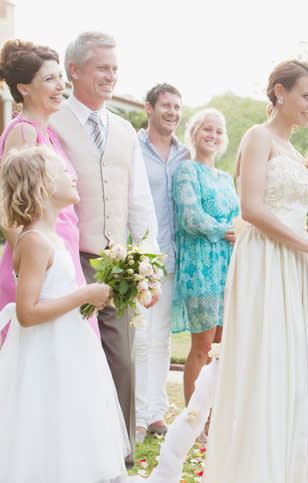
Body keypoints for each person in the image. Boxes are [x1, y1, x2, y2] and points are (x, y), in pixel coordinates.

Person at [203, 60, 308, 483]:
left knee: (292, 356)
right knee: (264, 354)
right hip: (265, 259)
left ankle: (291, 462)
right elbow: (253, 209)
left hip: (292, 262)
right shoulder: (257, 137)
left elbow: (290, 207)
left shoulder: (295, 151)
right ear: (279, 92)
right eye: (306, 96)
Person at [49, 31, 159, 467]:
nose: (112, 76)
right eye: (102, 68)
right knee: (70, 361)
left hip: (118, 267)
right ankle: (73, 455)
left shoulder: (125, 129)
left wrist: (147, 263)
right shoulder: (51, 123)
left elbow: (139, 203)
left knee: (123, 362)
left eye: (115, 68)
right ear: (73, 70)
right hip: (68, 263)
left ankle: (122, 458)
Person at [0, 146, 128, 482]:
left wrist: (93, 296)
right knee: (46, 422)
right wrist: (83, 294)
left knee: (71, 421)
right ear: (42, 185)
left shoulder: (53, 239)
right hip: (44, 350)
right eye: (61, 171)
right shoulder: (34, 242)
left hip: (68, 347)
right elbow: (27, 312)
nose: (72, 175)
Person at [0, 39, 98, 344]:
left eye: (60, 77)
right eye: (49, 78)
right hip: (43, 269)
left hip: (63, 259)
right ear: (24, 88)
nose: (61, 86)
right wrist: (39, 266)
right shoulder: (24, 132)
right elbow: (8, 211)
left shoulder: (49, 133)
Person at [171, 108, 239, 422]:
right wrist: (224, 230)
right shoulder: (187, 170)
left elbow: (240, 217)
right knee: (202, 346)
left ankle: (215, 420)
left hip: (228, 270)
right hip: (199, 269)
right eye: (206, 129)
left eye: (218, 131)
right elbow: (190, 216)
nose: (212, 136)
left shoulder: (226, 178)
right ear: (194, 132)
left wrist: (239, 230)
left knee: (222, 350)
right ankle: (195, 422)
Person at [134, 83, 189, 443]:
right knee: (140, 337)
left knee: (162, 339)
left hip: (173, 258)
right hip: (140, 257)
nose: (172, 112)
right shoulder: (132, 148)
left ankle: (155, 413)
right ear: (149, 108)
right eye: (165, 105)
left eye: (177, 107)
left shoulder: (186, 155)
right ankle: (136, 414)